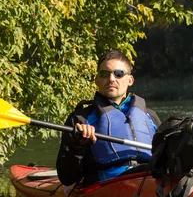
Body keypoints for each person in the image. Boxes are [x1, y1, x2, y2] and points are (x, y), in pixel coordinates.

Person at [56, 50, 160, 187]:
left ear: (130, 80)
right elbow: (67, 178)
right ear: (96, 80)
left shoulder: (150, 116)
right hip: (106, 185)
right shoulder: (80, 118)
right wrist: (78, 146)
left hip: (150, 177)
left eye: (119, 74)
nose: (111, 79)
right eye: (104, 74)